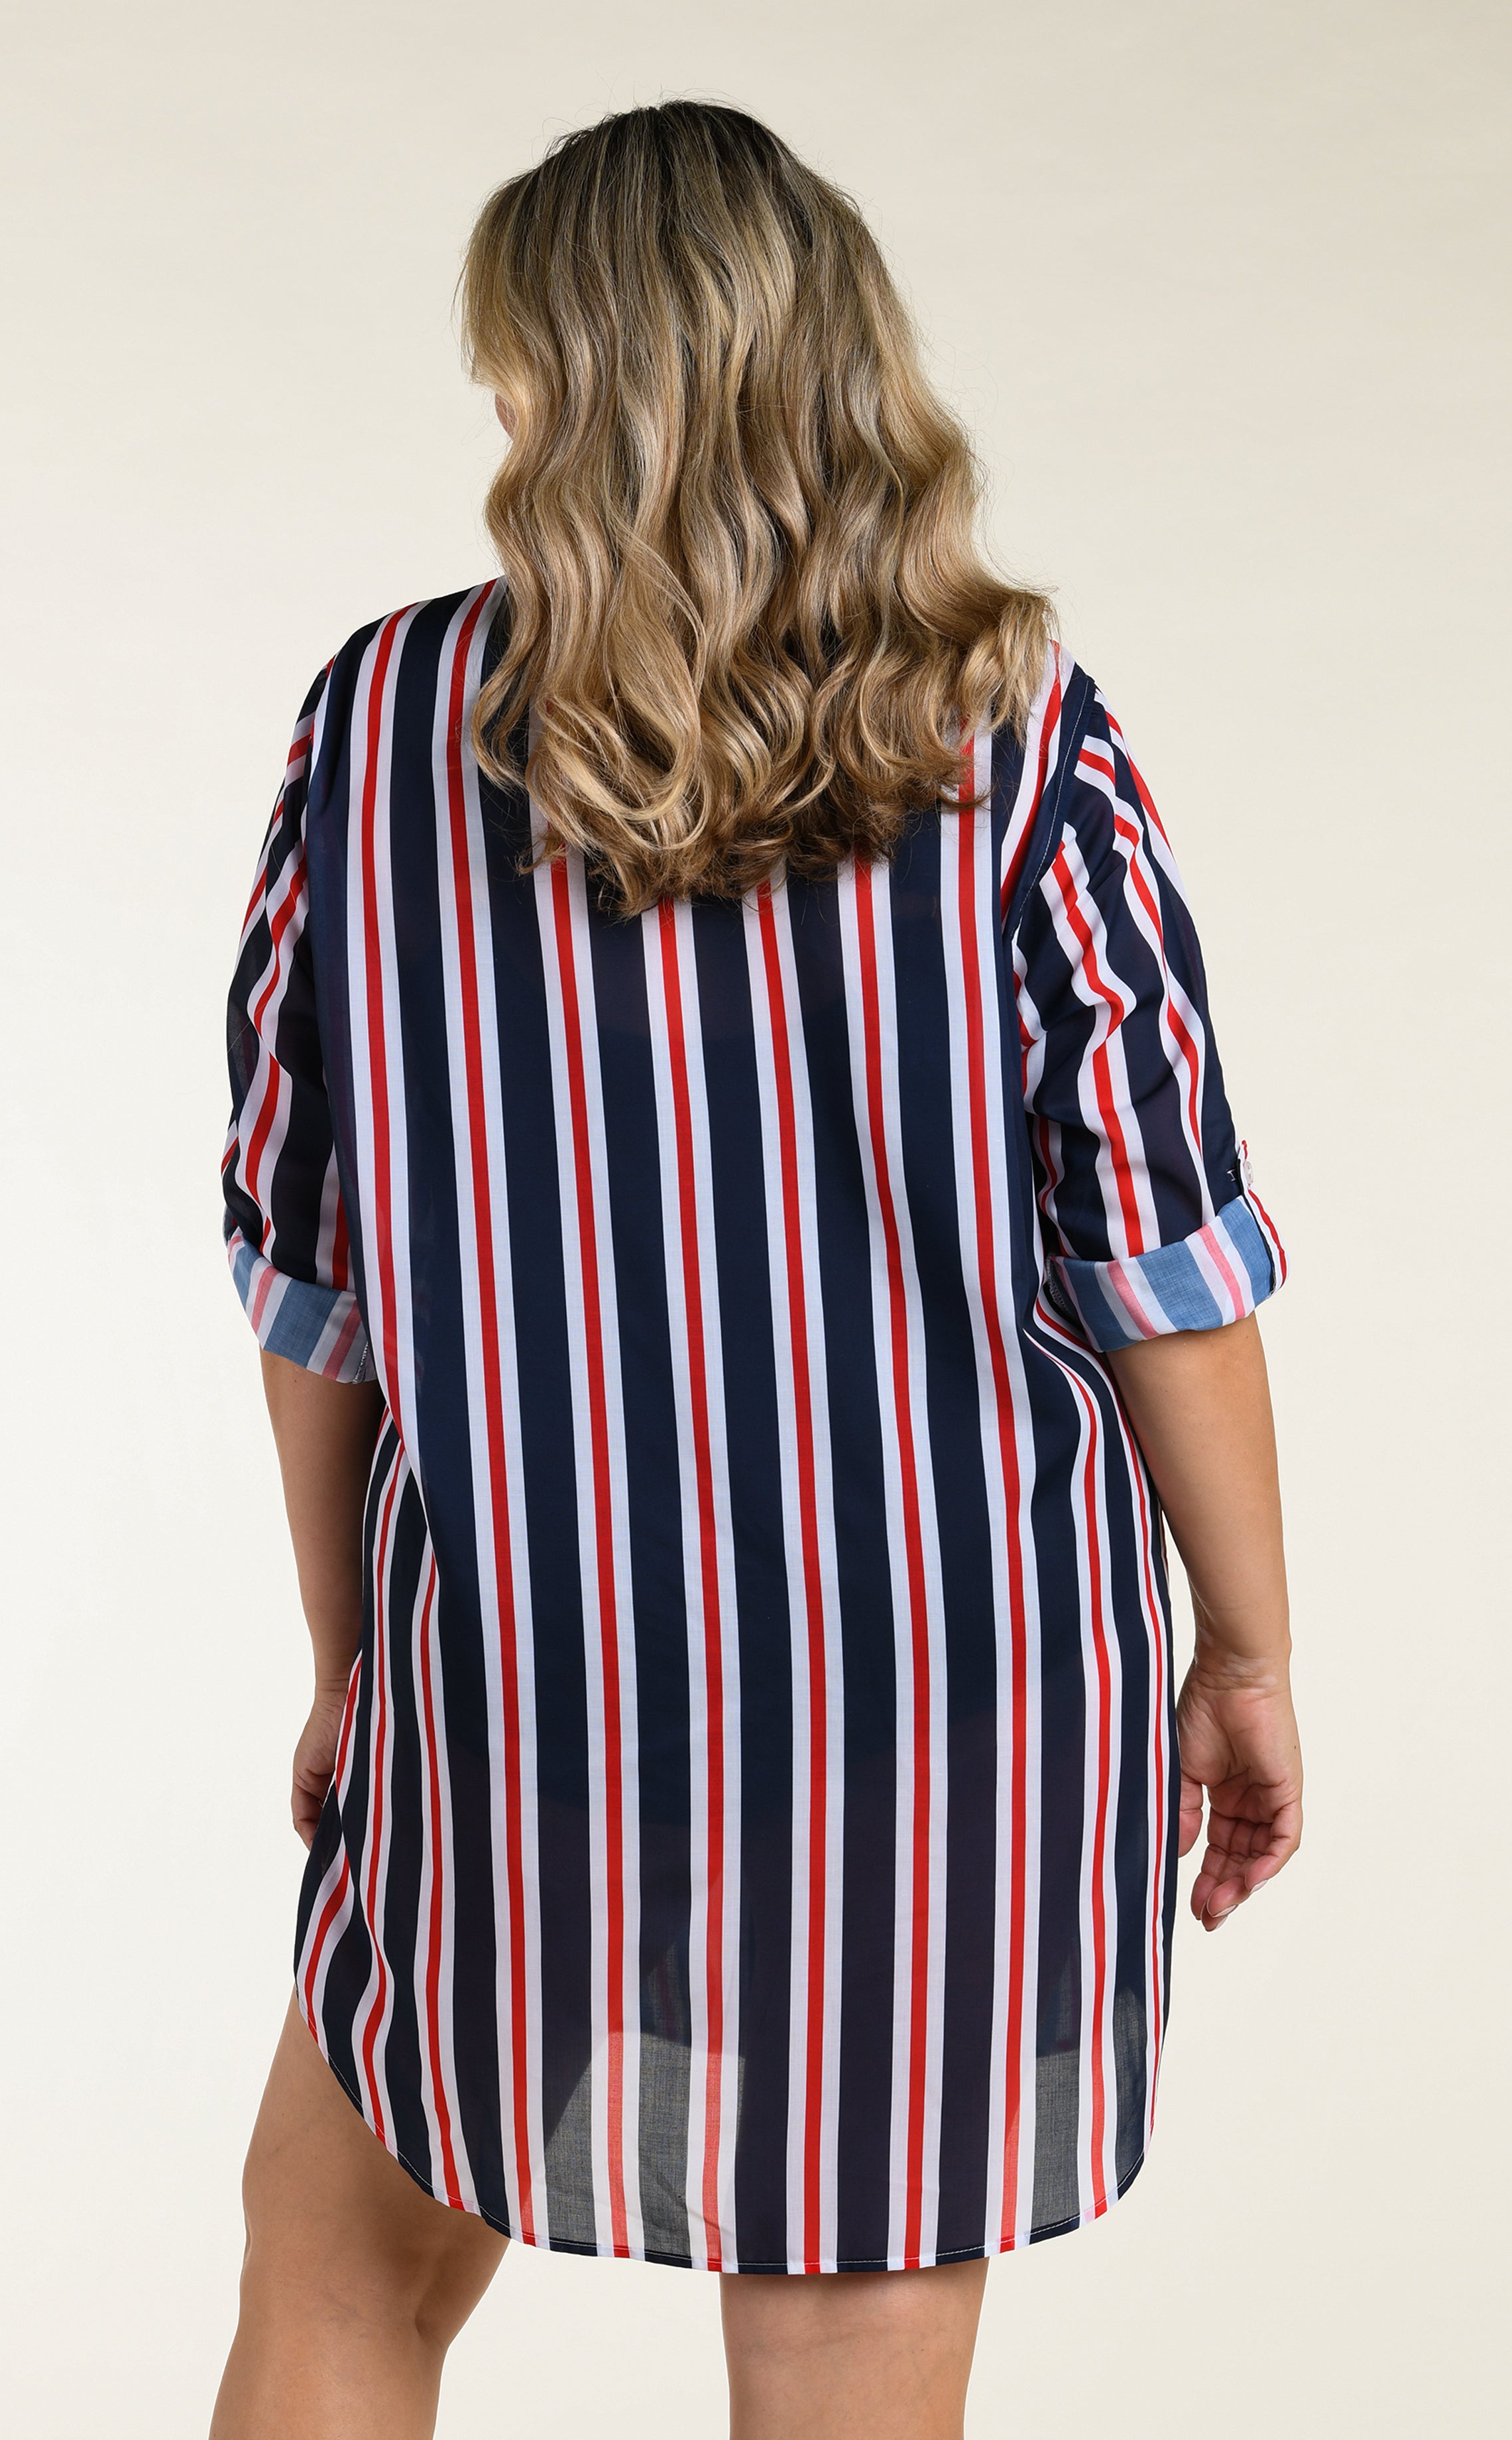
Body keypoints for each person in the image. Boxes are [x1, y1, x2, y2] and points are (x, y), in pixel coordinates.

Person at [209, 99, 1302, 2440]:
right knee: (847, 2359)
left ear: (559, 383)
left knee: (338, 2275)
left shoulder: (381, 727)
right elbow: (1164, 1251)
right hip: (951, 1698)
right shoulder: (1012, 739)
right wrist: (1251, 1653)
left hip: (529, 1656)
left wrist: (348, 1659)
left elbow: (311, 1284)